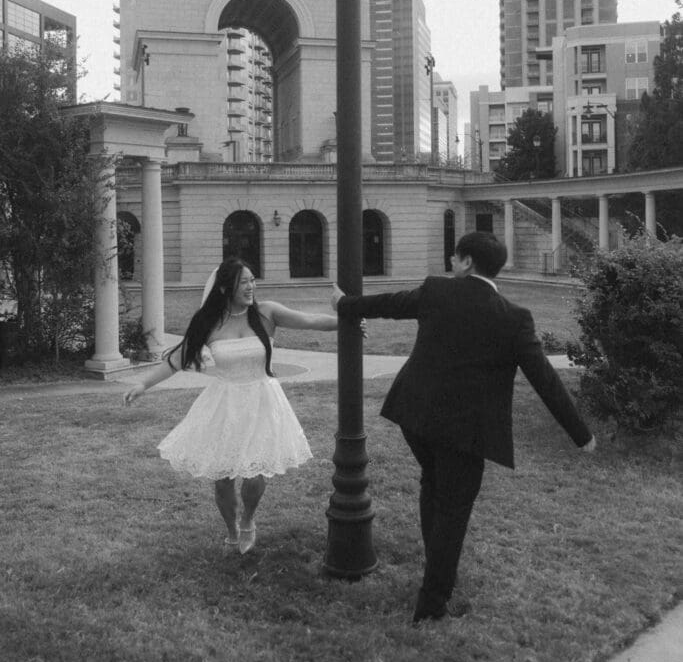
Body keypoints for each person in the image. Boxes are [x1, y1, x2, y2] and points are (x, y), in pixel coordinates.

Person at [332, 231, 596, 625]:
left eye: (454, 258)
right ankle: (432, 604)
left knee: (433, 487)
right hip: (465, 433)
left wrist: (345, 305)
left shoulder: (437, 292)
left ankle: (435, 566)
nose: (450, 264)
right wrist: (581, 434)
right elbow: (544, 378)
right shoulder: (513, 317)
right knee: (452, 510)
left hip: (416, 418)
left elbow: (389, 305)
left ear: (468, 261)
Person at [123, 256, 339, 556]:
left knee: (254, 475)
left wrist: (347, 321)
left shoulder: (266, 313)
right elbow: (177, 358)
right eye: (244, 282)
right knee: (223, 478)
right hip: (224, 404)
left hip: (262, 400)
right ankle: (231, 530)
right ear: (225, 288)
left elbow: (311, 321)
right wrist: (143, 384)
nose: (251, 287)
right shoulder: (209, 322)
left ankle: (248, 519)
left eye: (252, 280)